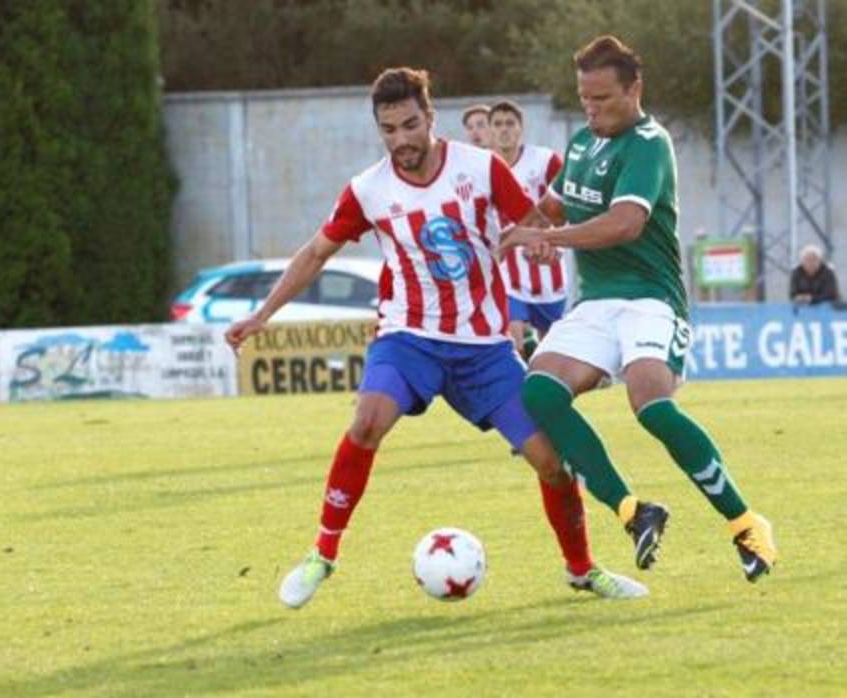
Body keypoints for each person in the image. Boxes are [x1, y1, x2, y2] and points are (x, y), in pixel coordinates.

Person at [225, 67, 647, 610]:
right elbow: (314, 254)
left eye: (409, 124)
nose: (401, 139)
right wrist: (262, 315)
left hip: (485, 350)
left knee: (550, 461)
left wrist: (542, 243)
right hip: (410, 337)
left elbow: (533, 222)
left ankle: (583, 570)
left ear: (430, 116)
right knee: (367, 421)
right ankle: (321, 555)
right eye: (388, 130)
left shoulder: (481, 168)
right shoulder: (367, 189)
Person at [499, 35, 777, 583]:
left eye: (603, 98)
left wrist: (553, 239)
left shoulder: (650, 143)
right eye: (585, 99)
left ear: (635, 90)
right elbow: (551, 206)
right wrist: (523, 229)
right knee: (537, 391)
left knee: (649, 402)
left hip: (651, 300)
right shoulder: (581, 143)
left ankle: (746, 524)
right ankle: (634, 512)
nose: (593, 109)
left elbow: (626, 222)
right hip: (596, 304)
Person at [489, 100, 568, 358]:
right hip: (508, 274)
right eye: (498, 124)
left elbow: (568, 199)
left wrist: (557, 234)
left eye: (510, 123)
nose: (504, 130)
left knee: (551, 351)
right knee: (514, 343)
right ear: (491, 130)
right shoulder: (484, 167)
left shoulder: (544, 160)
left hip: (549, 269)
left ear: (521, 127)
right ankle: (518, 392)